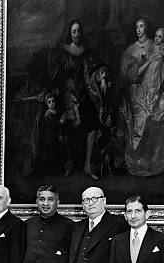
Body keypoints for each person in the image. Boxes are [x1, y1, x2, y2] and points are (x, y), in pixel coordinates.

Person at [119, 18, 164, 177]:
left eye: (142, 27)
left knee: (158, 117)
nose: (139, 30)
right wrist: (135, 72)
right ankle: (139, 159)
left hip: (158, 88)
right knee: (141, 118)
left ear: (147, 28)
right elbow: (127, 73)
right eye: (137, 27)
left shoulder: (156, 45)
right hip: (139, 91)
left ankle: (153, 159)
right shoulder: (131, 49)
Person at [50, 19, 110, 180]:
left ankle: (88, 165)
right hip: (68, 97)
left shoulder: (86, 52)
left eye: (78, 31)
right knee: (65, 132)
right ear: (69, 34)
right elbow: (55, 76)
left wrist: (102, 78)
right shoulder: (64, 54)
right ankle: (69, 163)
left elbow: (98, 66)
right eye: (74, 32)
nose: (77, 34)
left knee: (92, 127)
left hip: (85, 95)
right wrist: (64, 86)